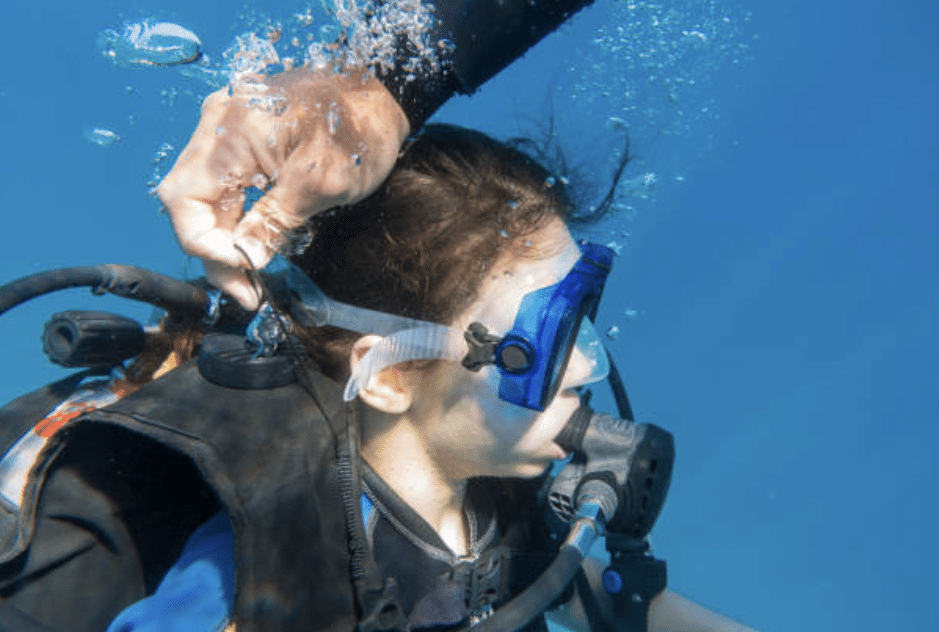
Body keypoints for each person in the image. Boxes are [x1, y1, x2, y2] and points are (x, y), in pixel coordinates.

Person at [0, 2, 763, 631]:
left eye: (581, 316)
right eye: (548, 337)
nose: (590, 363)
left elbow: (553, 580)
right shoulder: (269, 563)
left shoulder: (489, 490)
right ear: (388, 374)